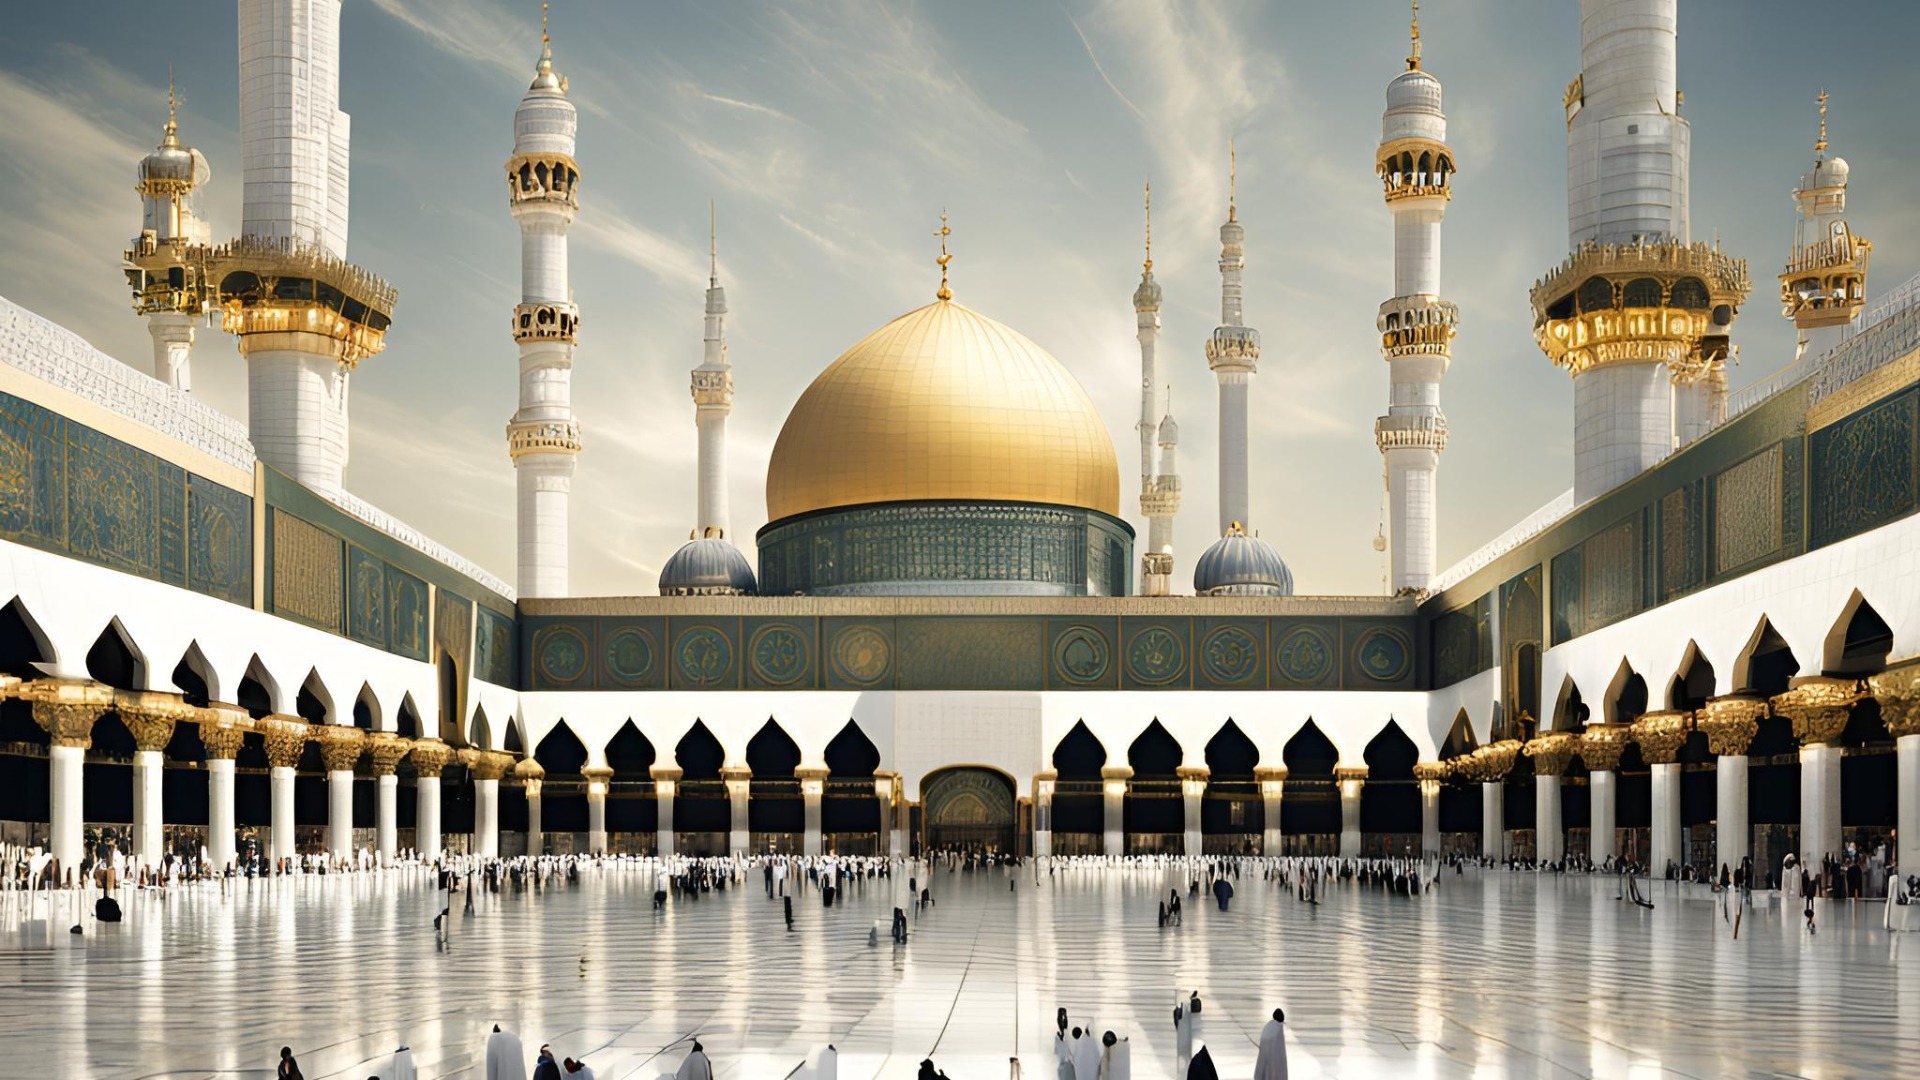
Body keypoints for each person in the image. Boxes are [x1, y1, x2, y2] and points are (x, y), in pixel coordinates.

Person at [1255, 1008, 1287, 1079]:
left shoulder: (1268, 1027)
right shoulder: (1278, 1029)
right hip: (1274, 1062)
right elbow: (1280, 1052)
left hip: (1265, 1058)